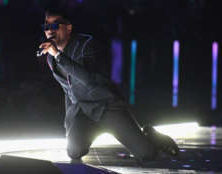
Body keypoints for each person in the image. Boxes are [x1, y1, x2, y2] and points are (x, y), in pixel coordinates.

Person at [38, 9, 179, 164]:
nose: (50, 30)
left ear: (68, 27)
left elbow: (88, 79)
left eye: (55, 25)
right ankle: (92, 131)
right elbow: (68, 90)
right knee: (74, 151)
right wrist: (69, 123)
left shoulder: (86, 44)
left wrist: (58, 55)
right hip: (84, 112)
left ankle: (151, 135)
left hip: (106, 107)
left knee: (147, 155)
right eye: (47, 27)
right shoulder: (51, 59)